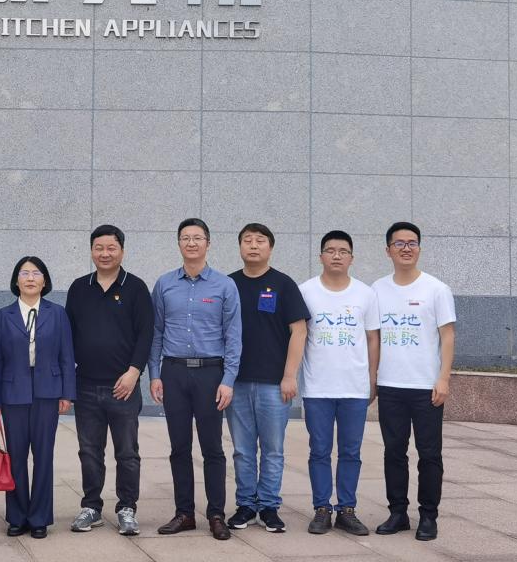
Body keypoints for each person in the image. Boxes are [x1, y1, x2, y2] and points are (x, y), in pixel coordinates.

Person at [149, 217, 240, 541]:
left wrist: (228, 379)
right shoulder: (164, 284)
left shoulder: (224, 286)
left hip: (210, 373)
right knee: (179, 447)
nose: (191, 243)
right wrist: (154, 374)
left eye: (197, 238)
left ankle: (216, 514)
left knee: (212, 447)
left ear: (208, 243)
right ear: (178, 243)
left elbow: (233, 336)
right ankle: (184, 513)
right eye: (185, 238)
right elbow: (156, 332)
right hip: (173, 372)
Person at [65, 224, 152, 536]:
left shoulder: (136, 288)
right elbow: (67, 335)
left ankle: (127, 508)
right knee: (89, 451)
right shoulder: (79, 288)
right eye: (99, 248)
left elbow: (146, 334)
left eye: (111, 248)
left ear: (122, 251)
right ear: (92, 251)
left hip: (123, 387)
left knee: (127, 452)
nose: (105, 253)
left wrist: (134, 372)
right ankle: (91, 507)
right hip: (86, 385)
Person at [372, 222, 455, 541]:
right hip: (391, 385)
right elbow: (374, 338)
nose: (406, 248)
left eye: (412, 243)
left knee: (429, 453)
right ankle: (398, 513)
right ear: (388, 250)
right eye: (399, 243)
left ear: (419, 248)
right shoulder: (377, 289)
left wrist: (443, 378)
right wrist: (373, 379)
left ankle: (428, 516)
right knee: (394, 452)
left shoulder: (436, 289)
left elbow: (447, 336)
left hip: (425, 387)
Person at [225, 224, 309, 533]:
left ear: (270, 247)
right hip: (237, 382)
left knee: (273, 449)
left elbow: (299, 330)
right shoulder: (229, 284)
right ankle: (246, 504)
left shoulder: (283, 284)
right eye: (247, 240)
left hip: (275, 384)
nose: (253, 245)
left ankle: (270, 506)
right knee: (242, 450)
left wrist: (290, 376)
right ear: (239, 247)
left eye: (260, 241)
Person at [0, 256, 75, 539]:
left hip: (48, 392)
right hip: (13, 394)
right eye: (24, 273)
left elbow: (66, 355)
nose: (30, 278)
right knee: (16, 457)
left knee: (44, 456)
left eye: (36, 273)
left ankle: (39, 518)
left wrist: (67, 393)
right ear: (16, 280)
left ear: (44, 280)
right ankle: (17, 516)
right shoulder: (3, 316)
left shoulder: (57, 314)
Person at [299, 230, 379, 536]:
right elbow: (298, 335)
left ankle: (347, 510)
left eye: (343, 251)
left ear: (351, 258)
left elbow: (372, 338)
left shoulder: (365, 294)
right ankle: (322, 508)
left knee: (350, 451)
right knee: (319, 450)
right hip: (317, 386)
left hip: (354, 387)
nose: (336, 255)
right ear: (320, 256)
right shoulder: (306, 291)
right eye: (330, 250)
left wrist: (372, 377)